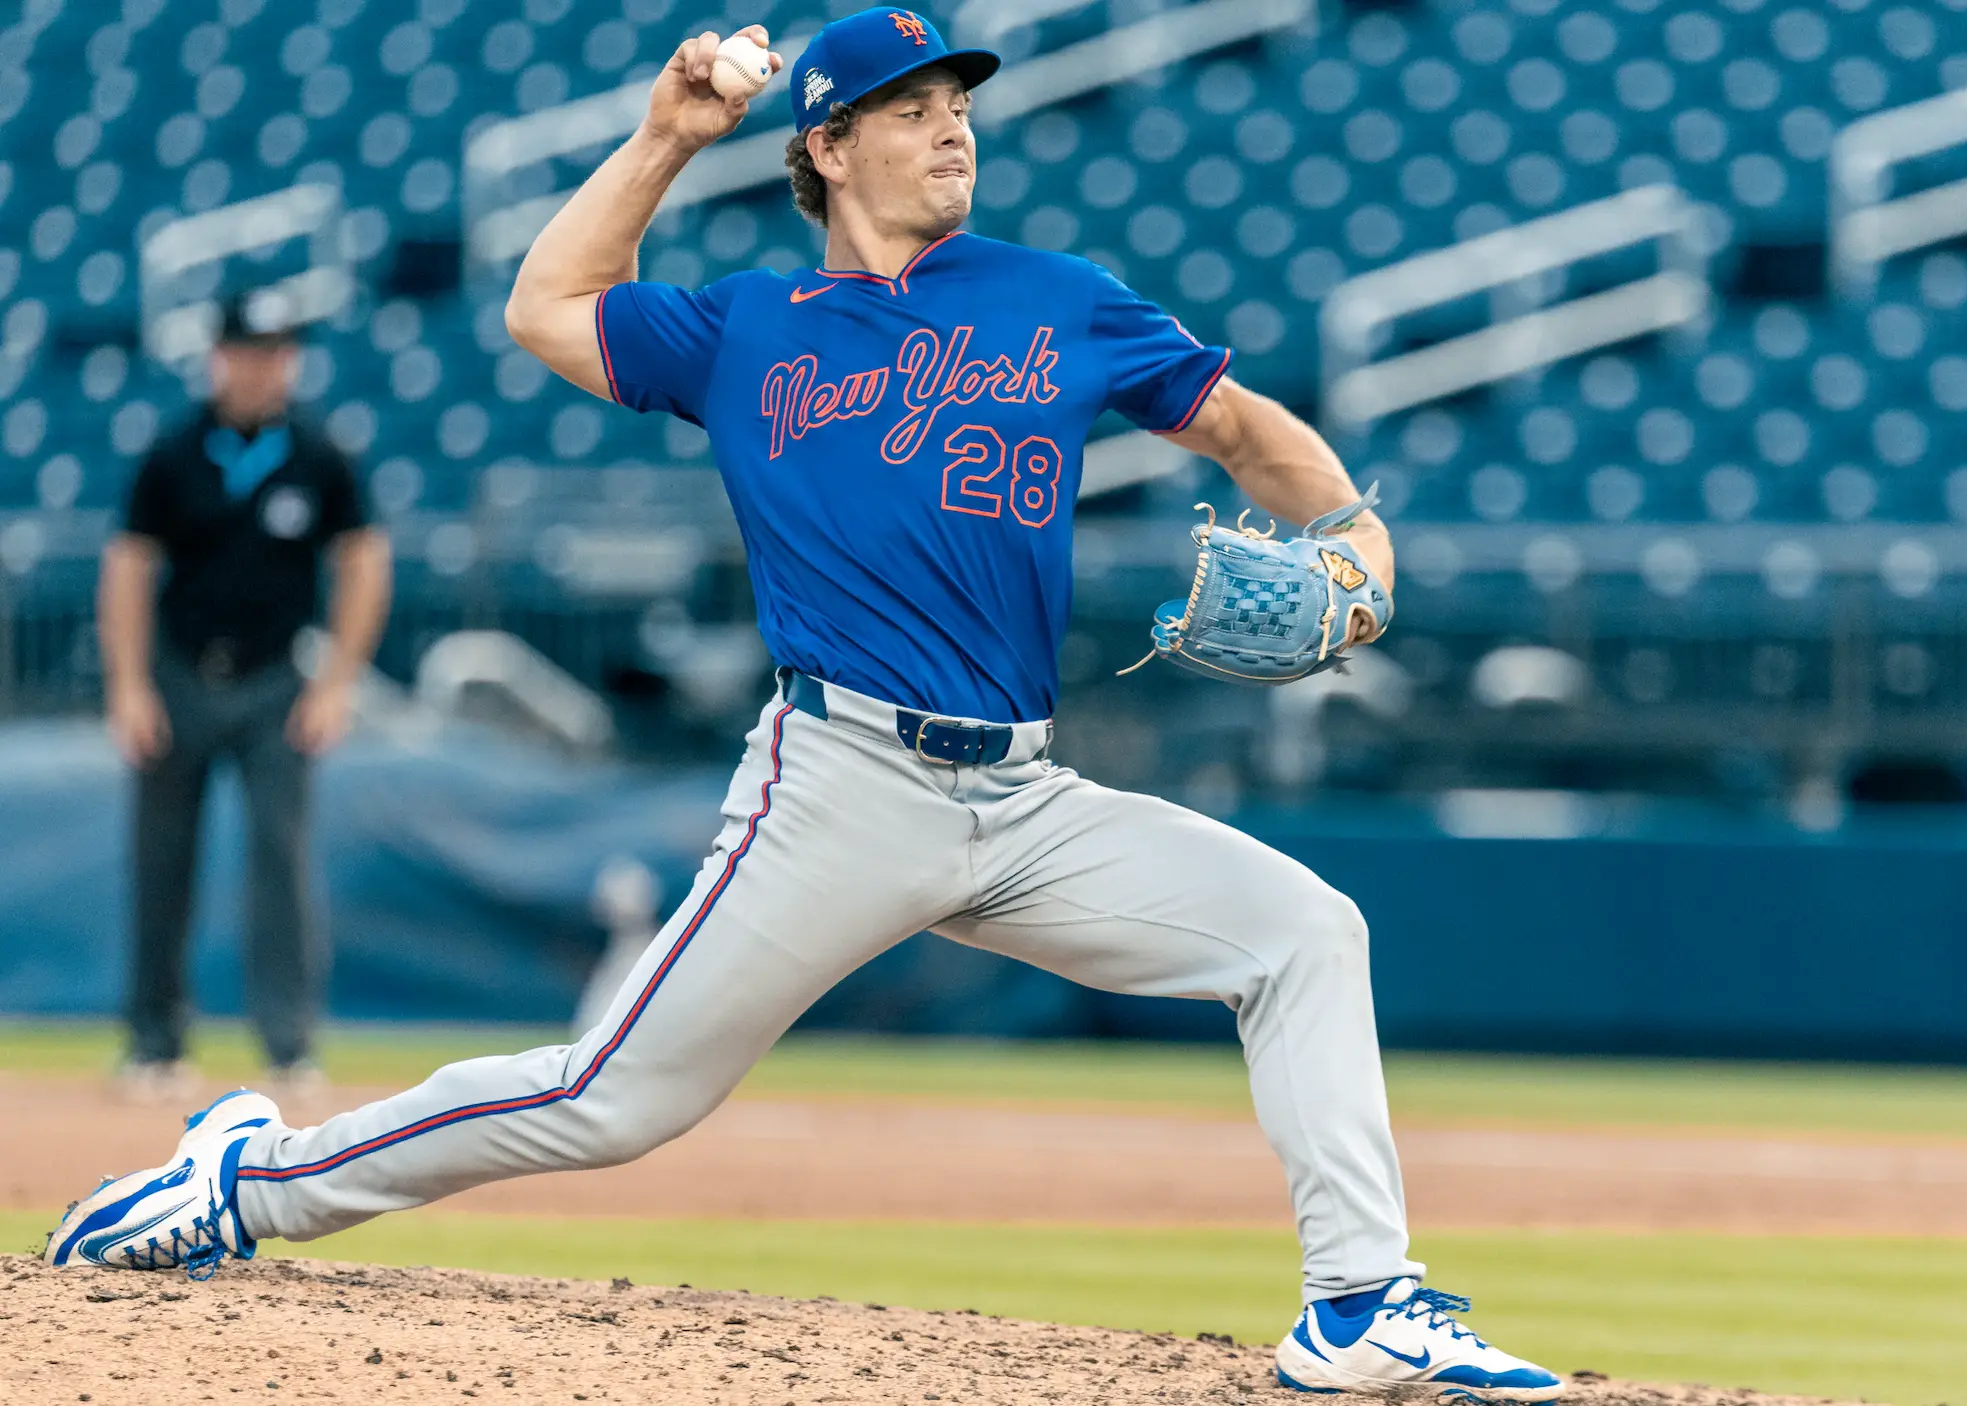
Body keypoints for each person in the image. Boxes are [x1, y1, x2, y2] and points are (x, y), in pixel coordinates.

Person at [48, 13, 1561, 1399]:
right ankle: (247, 1181)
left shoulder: (1062, 298)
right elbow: (544, 307)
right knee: (609, 1097)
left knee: (1305, 930)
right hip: (840, 782)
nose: (952, 127)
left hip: (1028, 798)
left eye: (957, 101)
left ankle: (1358, 1301)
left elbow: (1236, 427)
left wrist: (1353, 532)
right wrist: (665, 139)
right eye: (906, 108)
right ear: (826, 147)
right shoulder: (742, 325)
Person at [97, 290, 392, 1101]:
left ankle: (289, 1048)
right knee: (161, 864)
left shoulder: (319, 452)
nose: (262, 367)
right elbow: (128, 566)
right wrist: (127, 686)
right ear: (218, 355)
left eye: (277, 352)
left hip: (275, 683)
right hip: (179, 677)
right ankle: (153, 1043)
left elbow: (364, 561)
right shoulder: (174, 450)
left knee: (282, 867)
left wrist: (336, 685)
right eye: (248, 351)